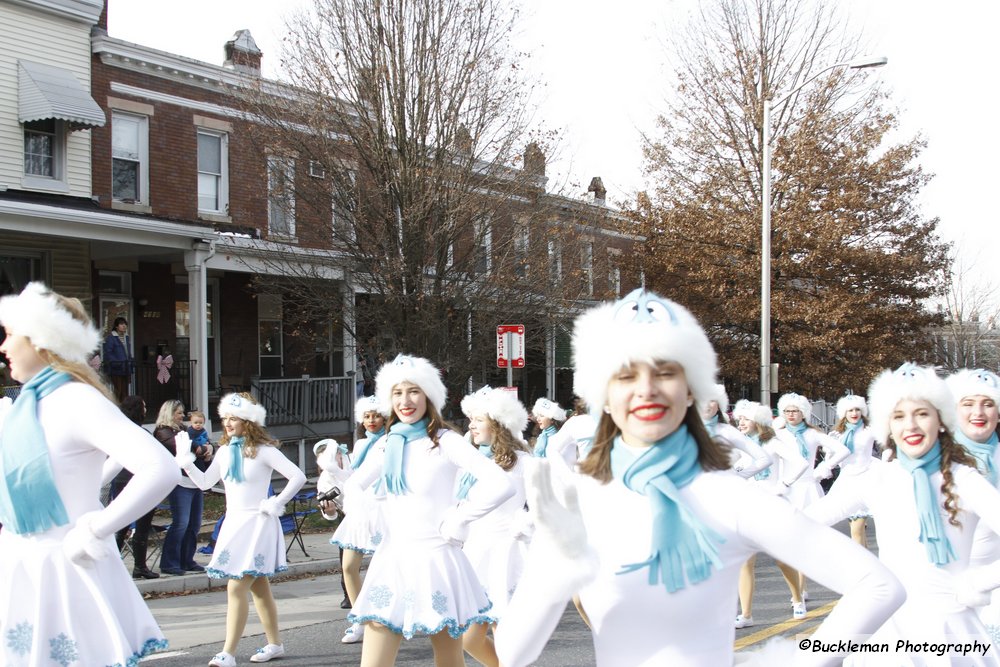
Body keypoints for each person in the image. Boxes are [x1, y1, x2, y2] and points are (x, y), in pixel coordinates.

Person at [494, 288, 903, 667]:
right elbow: (511, 653)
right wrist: (557, 566)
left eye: (666, 372)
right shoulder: (577, 499)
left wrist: (790, 662)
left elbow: (879, 587)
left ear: (691, 390)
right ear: (603, 395)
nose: (647, 389)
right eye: (625, 376)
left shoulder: (727, 496)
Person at [0, 282, 180, 665]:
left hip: (63, 566)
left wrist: (96, 528)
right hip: (22, 562)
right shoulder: (26, 407)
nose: (3, 346)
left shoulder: (74, 400)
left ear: (40, 338)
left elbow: (159, 467)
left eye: (10, 334)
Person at [807, 363, 1000, 665]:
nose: (910, 425)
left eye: (922, 414)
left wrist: (977, 583)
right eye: (899, 416)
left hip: (952, 630)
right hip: (888, 629)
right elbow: (797, 526)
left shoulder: (964, 479)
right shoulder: (877, 478)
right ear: (888, 427)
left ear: (942, 421)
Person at [344, 354, 514, 667]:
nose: (405, 401)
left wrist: (459, 518)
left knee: (448, 658)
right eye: (397, 393)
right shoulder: (386, 444)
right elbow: (354, 487)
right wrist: (368, 514)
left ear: (429, 396)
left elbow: (502, 485)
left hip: (438, 559)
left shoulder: (446, 441)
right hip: (393, 559)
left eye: (413, 391)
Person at [176, 392, 307, 666]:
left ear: (248, 421)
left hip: (258, 523)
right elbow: (204, 483)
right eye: (225, 418)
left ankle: (228, 652)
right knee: (259, 588)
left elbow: (298, 476)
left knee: (236, 588)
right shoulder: (224, 451)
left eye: (233, 418)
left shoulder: (265, 450)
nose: (227, 423)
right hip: (234, 523)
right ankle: (275, 644)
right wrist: (186, 462)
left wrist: (276, 502)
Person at [459, 386, 532, 667]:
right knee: (469, 638)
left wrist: (527, 524)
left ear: (498, 423)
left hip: (507, 553)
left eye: (478, 419)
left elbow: (546, 507)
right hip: (476, 552)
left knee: (506, 635)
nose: (471, 425)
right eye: (471, 419)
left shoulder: (524, 462)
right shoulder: (473, 462)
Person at [731, 400, 809, 629]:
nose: (741, 422)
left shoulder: (772, 442)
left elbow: (800, 463)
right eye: (739, 419)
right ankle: (746, 614)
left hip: (771, 503)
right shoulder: (740, 444)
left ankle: (797, 598)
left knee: (781, 558)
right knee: (745, 561)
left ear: (758, 420)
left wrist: (784, 484)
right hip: (745, 504)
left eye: (745, 418)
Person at [772, 391, 850, 613]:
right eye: (787, 411)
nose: (791, 414)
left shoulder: (812, 434)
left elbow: (842, 450)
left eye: (795, 410)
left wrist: (824, 467)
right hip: (787, 490)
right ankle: (797, 589)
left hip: (807, 489)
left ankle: (803, 587)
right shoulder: (778, 435)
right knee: (788, 541)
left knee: (806, 541)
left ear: (803, 412)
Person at [329, 394, 389, 644]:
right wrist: (333, 472)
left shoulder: (391, 441)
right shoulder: (361, 444)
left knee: (384, 569)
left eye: (376, 415)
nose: (372, 420)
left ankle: (388, 617)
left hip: (383, 508)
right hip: (359, 510)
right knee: (348, 567)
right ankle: (359, 619)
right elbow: (354, 477)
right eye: (367, 416)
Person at [946, 369, 1000, 641]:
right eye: (968, 404)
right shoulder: (936, 461)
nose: (978, 412)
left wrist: (984, 581)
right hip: (945, 592)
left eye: (988, 404)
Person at [111, 395, 162, 579]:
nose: (146, 410)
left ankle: (121, 565)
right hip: (138, 480)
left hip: (121, 480)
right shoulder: (139, 433)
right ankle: (138, 566)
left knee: (122, 524)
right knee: (138, 525)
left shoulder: (119, 431)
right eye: (144, 407)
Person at [155, 399, 205, 576]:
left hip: (195, 480)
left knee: (194, 524)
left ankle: (187, 560)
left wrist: (207, 448)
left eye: (183, 412)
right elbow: (178, 446)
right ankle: (169, 563)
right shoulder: (162, 432)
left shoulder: (185, 430)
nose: (182, 416)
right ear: (169, 413)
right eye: (179, 412)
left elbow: (202, 443)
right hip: (179, 482)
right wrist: (199, 448)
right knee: (181, 522)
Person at [828, 394, 877, 548]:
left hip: (865, 479)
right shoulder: (838, 433)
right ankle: (869, 564)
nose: (854, 413)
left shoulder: (869, 430)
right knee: (856, 531)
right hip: (846, 482)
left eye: (857, 409)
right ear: (844, 413)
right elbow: (830, 458)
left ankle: (862, 568)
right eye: (850, 410)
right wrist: (830, 448)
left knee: (857, 530)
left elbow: (888, 444)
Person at [701, 383, 772, 479]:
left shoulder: (728, 431)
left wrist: (738, 477)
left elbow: (764, 459)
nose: (706, 404)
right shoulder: (684, 429)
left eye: (712, 400)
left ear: (719, 406)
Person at [531, 397, 575, 466]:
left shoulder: (560, 437)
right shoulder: (542, 436)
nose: (538, 419)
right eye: (538, 415)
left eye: (542, 415)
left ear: (552, 419)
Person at [103, 316, 134, 402]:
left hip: (126, 367)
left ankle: (125, 409)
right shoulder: (111, 338)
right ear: (116, 326)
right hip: (116, 368)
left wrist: (130, 361)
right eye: (121, 324)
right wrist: (117, 363)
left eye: (125, 324)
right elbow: (108, 353)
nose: (124, 326)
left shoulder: (126, 338)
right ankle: (117, 408)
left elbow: (128, 352)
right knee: (118, 390)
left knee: (125, 391)